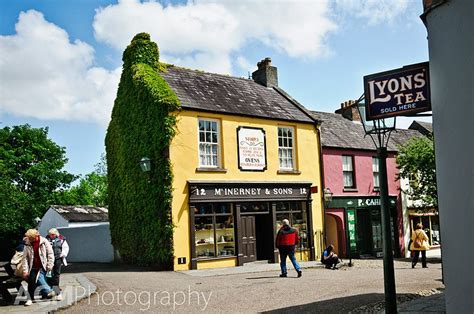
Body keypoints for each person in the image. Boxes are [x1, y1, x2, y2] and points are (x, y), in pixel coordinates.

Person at [22, 229, 55, 306]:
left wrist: (50, 265)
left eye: (30, 238)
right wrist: (25, 270)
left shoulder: (44, 241)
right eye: (29, 238)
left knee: (45, 280)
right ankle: (30, 299)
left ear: (35, 236)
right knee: (31, 282)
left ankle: (51, 292)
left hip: (43, 265)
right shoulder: (27, 243)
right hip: (33, 266)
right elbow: (25, 258)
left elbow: (50, 254)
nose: (29, 239)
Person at [46, 228, 69, 301]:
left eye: (52, 234)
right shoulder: (46, 239)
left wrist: (63, 254)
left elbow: (66, 248)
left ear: (56, 234)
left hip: (58, 259)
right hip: (49, 259)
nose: (51, 236)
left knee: (56, 274)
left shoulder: (61, 239)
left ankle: (57, 292)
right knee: (49, 275)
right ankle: (53, 288)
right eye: (50, 234)